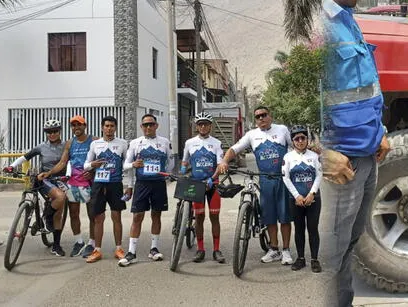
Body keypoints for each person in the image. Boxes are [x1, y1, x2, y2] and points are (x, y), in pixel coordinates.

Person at [317, 0, 390, 306]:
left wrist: (382, 132)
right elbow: (287, 101)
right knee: (329, 257)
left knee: (347, 247)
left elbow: (365, 87)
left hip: (364, 158)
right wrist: (320, 152)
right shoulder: (314, 25)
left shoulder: (347, 19)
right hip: (337, 167)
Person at [215, 106, 294, 265]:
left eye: (264, 115)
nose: (261, 119)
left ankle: (286, 250)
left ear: (270, 116)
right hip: (265, 180)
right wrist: (224, 161)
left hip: (283, 179)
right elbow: (234, 149)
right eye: (257, 117)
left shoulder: (282, 130)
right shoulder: (252, 135)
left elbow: (296, 146)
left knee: (284, 217)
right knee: (270, 217)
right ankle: (274, 249)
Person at [5, 119, 68, 256]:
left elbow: (71, 161)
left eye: (55, 131)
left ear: (59, 131)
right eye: (49, 132)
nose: (52, 134)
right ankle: (47, 217)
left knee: (59, 213)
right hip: (44, 179)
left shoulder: (66, 146)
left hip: (61, 180)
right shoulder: (41, 147)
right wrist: (12, 166)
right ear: (45, 133)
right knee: (60, 197)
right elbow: (25, 157)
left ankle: (56, 246)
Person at [118, 114, 174, 267]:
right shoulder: (136, 143)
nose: (148, 127)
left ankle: (154, 249)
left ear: (156, 126)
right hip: (142, 184)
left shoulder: (164, 142)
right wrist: (133, 165)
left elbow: (170, 161)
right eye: (145, 125)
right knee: (137, 217)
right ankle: (131, 252)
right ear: (141, 127)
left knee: (157, 215)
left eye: (151, 124)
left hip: (158, 184)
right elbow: (125, 165)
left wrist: (165, 175)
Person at [39, 115, 98, 258]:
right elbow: (62, 162)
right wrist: (49, 173)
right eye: (73, 125)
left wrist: (93, 172)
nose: (76, 128)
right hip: (74, 182)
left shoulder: (95, 141)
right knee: (73, 213)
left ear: (85, 126)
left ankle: (91, 243)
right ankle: (78, 242)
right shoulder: (70, 143)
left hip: (91, 182)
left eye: (79, 125)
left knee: (92, 215)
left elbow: (103, 160)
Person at [181, 112, 225, 264]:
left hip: (213, 184)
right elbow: (185, 161)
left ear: (210, 126)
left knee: (214, 217)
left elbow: (220, 164)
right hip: (196, 184)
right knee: (199, 218)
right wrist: (181, 172)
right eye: (200, 124)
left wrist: (213, 179)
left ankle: (216, 250)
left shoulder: (217, 143)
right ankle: (200, 249)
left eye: (206, 124)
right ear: (196, 126)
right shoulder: (189, 143)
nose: (203, 126)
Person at [82, 116, 128, 263]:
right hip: (99, 184)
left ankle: (119, 248)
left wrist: (129, 185)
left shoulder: (122, 143)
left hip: (116, 184)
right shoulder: (95, 144)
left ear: (115, 128)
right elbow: (85, 165)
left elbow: (127, 166)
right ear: (102, 127)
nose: (109, 129)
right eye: (107, 126)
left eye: (112, 126)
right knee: (98, 218)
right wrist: (92, 165)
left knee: (116, 216)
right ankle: (97, 250)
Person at [282, 125, 323, 272]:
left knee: (313, 229)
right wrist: (297, 196)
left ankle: (314, 259)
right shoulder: (288, 157)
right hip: (296, 200)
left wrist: (312, 193)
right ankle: (300, 258)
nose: (300, 141)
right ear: (293, 141)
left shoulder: (314, 156)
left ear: (307, 139)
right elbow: (286, 179)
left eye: (302, 138)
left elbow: (319, 175)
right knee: (299, 229)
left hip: (313, 199)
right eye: (296, 139)